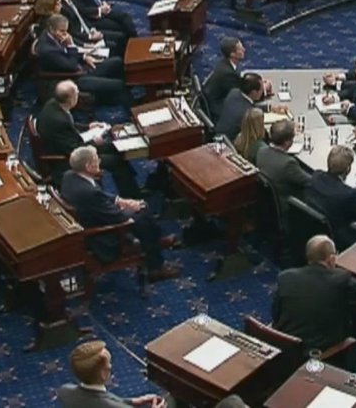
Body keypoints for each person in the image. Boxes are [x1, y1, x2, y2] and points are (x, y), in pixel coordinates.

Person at [61, 146, 178, 281]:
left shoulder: (69, 175)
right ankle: (156, 268)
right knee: (143, 213)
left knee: (139, 211)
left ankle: (155, 243)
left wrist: (120, 200)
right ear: (88, 166)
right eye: (96, 159)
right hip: (101, 236)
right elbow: (118, 217)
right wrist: (133, 207)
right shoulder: (89, 193)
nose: (99, 160)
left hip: (92, 218)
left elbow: (100, 195)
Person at [273, 235, 356, 353]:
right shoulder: (340, 279)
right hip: (317, 351)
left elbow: (275, 313)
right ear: (331, 259)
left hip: (284, 344)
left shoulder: (285, 277)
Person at [39, 80, 138, 197]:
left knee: (116, 148)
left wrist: (88, 126)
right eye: (77, 93)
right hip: (68, 159)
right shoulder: (59, 121)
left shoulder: (53, 105)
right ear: (71, 99)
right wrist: (93, 142)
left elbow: (70, 127)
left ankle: (131, 187)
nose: (79, 94)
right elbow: (74, 150)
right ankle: (132, 194)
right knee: (116, 161)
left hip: (69, 145)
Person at [33, 14, 124, 105]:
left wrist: (84, 56)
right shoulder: (48, 50)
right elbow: (72, 66)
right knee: (118, 84)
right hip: (72, 78)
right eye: (62, 31)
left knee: (117, 62)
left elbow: (69, 55)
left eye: (66, 31)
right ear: (52, 29)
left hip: (80, 66)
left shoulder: (53, 35)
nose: (65, 34)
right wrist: (70, 45)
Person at [57, 340, 165, 408]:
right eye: (109, 363)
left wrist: (133, 401)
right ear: (103, 374)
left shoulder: (64, 391)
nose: (111, 366)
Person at [304, 146, 356, 247]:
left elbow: (340, 190)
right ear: (348, 169)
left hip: (311, 230)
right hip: (338, 238)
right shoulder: (347, 196)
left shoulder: (316, 176)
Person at [255, 119, 311, 202]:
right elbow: (309, 181)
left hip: (268, 201)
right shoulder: (288, 163)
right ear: (287, 143)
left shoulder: (261, 151)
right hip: (287, 205)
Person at [215, 72, 269, 141]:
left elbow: (249, 103)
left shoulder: (234, 93)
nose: (263, 91)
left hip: (221, 137)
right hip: (233, 145)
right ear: (254, 93)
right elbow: (260, 134)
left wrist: (268, 108)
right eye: (262, 89)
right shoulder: (247, 114)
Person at [204, 36, 246, 119]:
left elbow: (238, 82)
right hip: (219, 110)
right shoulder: (227, 73)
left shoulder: (225, 63)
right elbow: (241, 96)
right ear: (232, 54)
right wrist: (262, 89)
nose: (244, 50)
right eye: (240, 49)